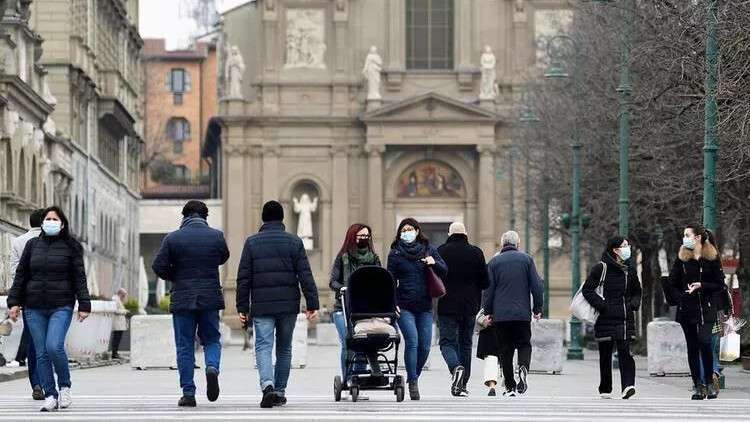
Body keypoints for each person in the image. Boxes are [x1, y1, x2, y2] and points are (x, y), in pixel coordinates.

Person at [236, 200, 320, 408]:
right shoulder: (294, 242)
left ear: (263, 218)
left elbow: (243, 278)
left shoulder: (252, 242)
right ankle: (280, 391)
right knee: (284, 348)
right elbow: (305, 275)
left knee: (263, 346)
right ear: (282, 218)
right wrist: (312, 303)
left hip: (262, 305)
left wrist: (242, 307)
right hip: (288, 305)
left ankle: (267, 386)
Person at [7, 206, 91, 412]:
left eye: (54, 219)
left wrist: (84, 304)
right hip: (33, 306)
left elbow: (79, 277)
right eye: (47, 219)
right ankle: (50, 394)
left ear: (62, 224)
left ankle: (64, 386)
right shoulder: (32, 245)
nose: (50, 222)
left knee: (54, 346)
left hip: (60, 305)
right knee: (41, 353)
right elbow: (21, 276)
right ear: (42, 223)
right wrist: (14, 303)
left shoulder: (72, 247)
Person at [152, 200, 230, 407]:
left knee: (185, 346)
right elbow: (224, 257)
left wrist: (176, 275)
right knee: (211, 339)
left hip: (183, 298)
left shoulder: (173, 238)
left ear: (184, 216)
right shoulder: (216, 236)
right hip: (210, 297)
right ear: (205, 216)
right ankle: (212, 367)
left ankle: (188, 393)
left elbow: (158, 266)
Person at [387, 218, 448, 400]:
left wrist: (433, 262)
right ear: (400, 233)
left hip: (425, 306)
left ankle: (415, 376)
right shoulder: (395, 253)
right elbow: (389, 280)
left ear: (417, 231)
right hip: (404, 305)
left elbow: (445, 270)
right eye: (403, 230)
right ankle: (413, 382)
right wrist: (393, 303)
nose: (407, 232)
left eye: (410, 229)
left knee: (425, 346)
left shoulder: (429, 250)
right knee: (412, 341)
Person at [665, 223, 724, 400]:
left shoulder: (712, 257)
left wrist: (702, 286)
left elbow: (719, 283)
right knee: (692, 347)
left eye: (688, 235)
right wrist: (681, 298)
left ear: (698, 237)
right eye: (684, 235)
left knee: (705, 342)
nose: (685, 238)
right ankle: (698, 385)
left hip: (707, 308)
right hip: (687, 309)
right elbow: (671, 283)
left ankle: (709, 382)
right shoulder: (682, 259)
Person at [483, 230, 543, 397]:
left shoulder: (494, 262)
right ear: (517, 244)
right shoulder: (527, 260)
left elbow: (488, 290)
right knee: (524, 344)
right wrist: (537, 308)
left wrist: (488, 311)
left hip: (501, 315)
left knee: (505, 350)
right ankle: (523, 368)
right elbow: (537, 287)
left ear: (502, 245)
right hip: (522, 314)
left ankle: (510, 387)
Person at [581, 236, 642, 400]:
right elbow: (587, 290)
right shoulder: (601, 268)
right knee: (605, 354)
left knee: (625, 352)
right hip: (605, 318)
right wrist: (602, 306)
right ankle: (605, 388)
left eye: (628, 245)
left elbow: (637, 291)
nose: (627, 248)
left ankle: (628, 385)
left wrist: (633, 305)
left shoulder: (630, 270)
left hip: (624, 318)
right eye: (624, 246)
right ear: (615, 250)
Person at [436, 222, 488, 396]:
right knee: (466, 344)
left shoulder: (441, 251)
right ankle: (463, 384)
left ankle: (455, 368)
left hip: (447, 305)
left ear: (449, 233)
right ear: (466, 233)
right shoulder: (477, 252)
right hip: (470, 306)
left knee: (447, 343)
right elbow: (485, 282)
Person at [329, 223, 381, 392]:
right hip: (343, 307)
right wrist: (342, 288)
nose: (364, 239)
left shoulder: (374, 257)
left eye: (367, 236)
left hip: (366, 308)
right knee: (348, 343)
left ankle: (359, 380)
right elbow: (333, 281)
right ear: (353, 237)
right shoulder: (343, 257)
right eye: (361, 236)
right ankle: (348, 380)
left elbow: (380, 278)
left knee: (364, 342)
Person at [8, 208, 46, 400]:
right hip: (54, 300)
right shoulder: (57, 242)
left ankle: (37, 382)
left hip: (29, 299)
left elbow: (15, 273)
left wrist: (17, 299)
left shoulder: (18, 241)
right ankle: (49, 382)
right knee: (52, 343)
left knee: (33, 341)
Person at [110, 288, 129, 360]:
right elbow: (115, 310)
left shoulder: (119, 299)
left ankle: (115, 352)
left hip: (120, 323)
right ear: (120, 293)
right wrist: (124, 311)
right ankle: (114, 353)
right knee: (116, 339)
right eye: (123, 295)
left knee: (118, 339)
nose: (124, 297)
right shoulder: (115, 299)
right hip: (117, 323)